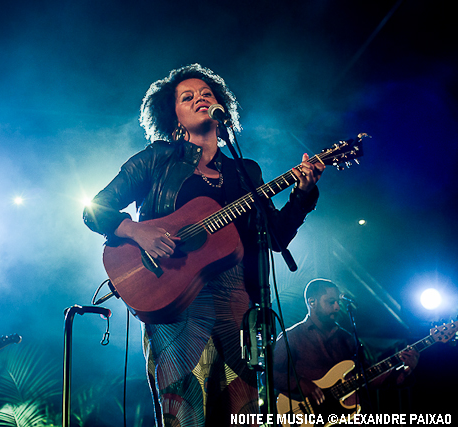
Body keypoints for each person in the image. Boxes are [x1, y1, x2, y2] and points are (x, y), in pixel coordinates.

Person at [83, 63, 324, 426]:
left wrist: (304, 193)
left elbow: (276, 236)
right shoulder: (156, 160)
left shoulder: (246, 172)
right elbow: (95, 209)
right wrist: (137, 231)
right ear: (173, 116)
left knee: (242, 414)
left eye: (207, 94)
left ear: (221, 107)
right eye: (188, 96)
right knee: (186, 415)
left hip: (238, 305)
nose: (200, 98)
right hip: (175, 301)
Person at [273, 279, 419, 413]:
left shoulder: (347, 339)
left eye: (337, 301)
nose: (337, 307)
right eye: (331, 302)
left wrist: (405, 370)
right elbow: (270, 374)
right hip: (307, 415)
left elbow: (367, 377)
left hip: (345, 417)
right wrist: (301, 384)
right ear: (312, 302)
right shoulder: (291, 337)